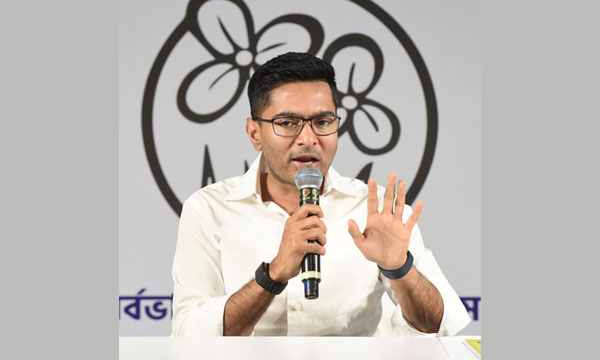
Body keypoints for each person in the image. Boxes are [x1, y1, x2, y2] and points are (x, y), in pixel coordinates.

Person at [171, 52, 470, 336]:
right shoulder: (208, 209)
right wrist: (272, 275)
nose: (308, 138)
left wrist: (399, 269)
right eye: (287, 123)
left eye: (322, 122)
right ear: (255, 133)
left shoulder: (377, 211)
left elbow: (439, 327)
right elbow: (189, 333)